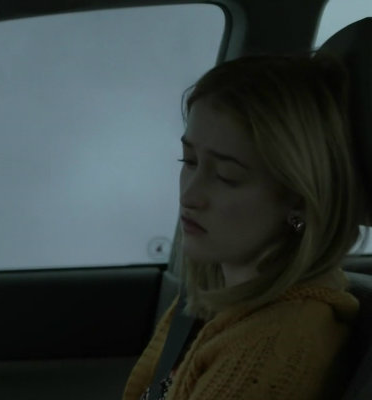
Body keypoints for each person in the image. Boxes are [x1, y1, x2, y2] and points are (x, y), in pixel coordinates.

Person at [123, 54, 365, 400]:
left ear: (298, 198)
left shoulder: (271, 351)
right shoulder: (213, 292)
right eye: (189, 161)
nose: (189, 196)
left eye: (227, 176)